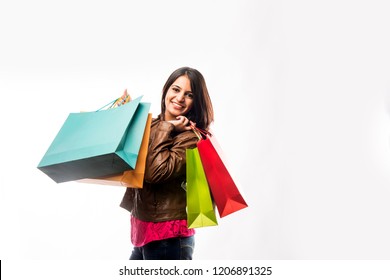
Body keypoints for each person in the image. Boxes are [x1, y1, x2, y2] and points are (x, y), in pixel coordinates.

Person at [120, 66, 214, 260]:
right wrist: (122, 115)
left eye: (189, 95)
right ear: (166, 90)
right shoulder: (151, 125)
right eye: (176, 89)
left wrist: (168, 126)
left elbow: (156, 172)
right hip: (143, 231)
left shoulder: (190, 139)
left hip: (170, 238)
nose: (180, 98)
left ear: (196, 102)